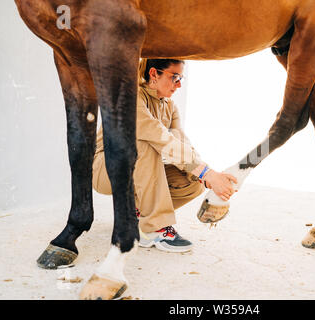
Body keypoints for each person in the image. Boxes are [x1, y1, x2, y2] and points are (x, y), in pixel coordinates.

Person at [92, 58, 238, 253]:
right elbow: (160, 139)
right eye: (174, 77)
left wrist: (208, 177)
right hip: (105, 169)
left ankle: (136, 216)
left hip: (137, 168)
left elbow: (181, 144)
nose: (178, 84)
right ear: (153, 74)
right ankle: (154, 229)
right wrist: (207, 173)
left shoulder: (170, 106)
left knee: (192, 182)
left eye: (181, 79)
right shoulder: (130, 97)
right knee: (145, 142)